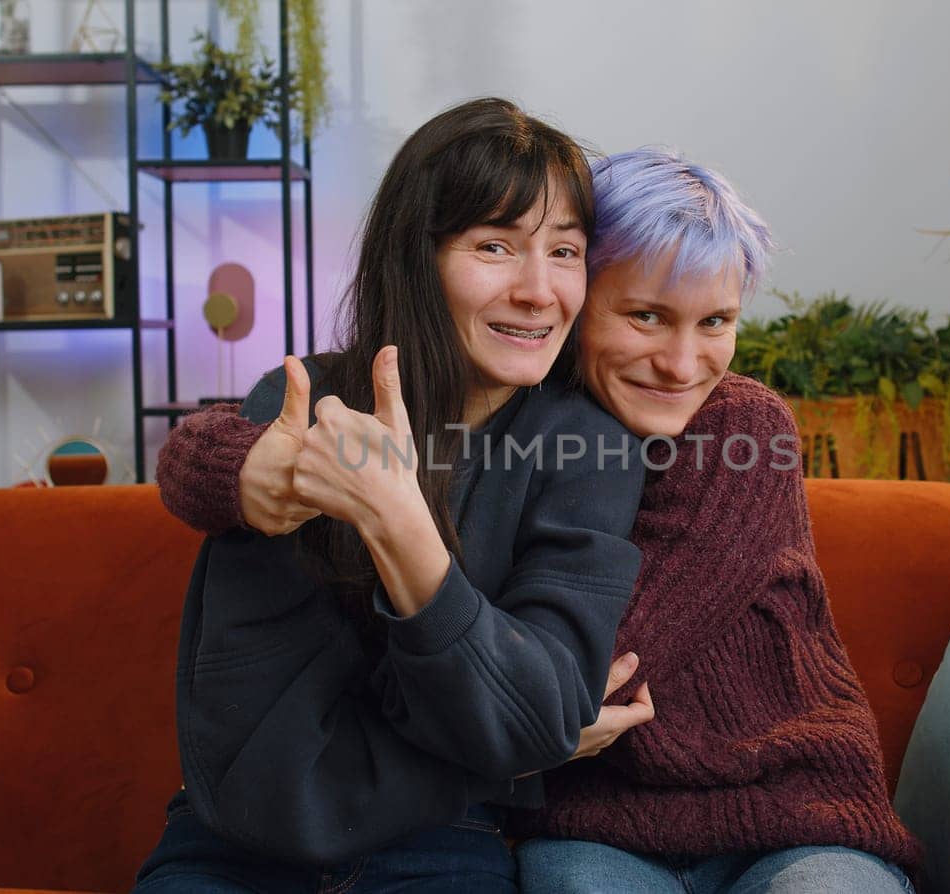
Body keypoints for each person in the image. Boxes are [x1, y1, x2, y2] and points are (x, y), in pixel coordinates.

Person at [157, 148, 922, 892]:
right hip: (600, 827)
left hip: (789, 811)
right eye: (646, 316)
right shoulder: (530, 413)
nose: (683, 365)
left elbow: (554, 691)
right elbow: (233, 438)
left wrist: (503, 701)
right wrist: (237, 466)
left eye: (717, 321)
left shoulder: (732, 428)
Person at [131, 98, 650, 893]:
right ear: (419, 257)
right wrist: (234, 470)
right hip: (229, 840)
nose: (540, 290)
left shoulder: (587, 447)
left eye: (566, 252)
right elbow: (260, 734)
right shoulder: (306, 404)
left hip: (443, 844)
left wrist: (399, 522)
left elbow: (534, 713)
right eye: (494, 246)